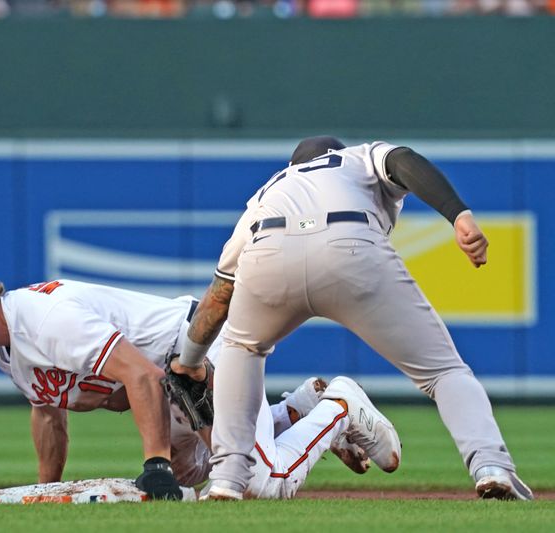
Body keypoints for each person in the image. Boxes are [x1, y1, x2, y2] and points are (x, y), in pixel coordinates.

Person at [170, 136, 534, 501]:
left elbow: (218, 299)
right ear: (334, 153)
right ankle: (491, 467)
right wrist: (458, 214)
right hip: (350, 245)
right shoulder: (355, 159)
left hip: (268, 250)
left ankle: (227, 478)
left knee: (241, 347)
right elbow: (404, 160)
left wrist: (188, 362)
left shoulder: (267, 192)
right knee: (444, 372)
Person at [0, 253, 400, 499]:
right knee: (196, 475)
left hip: (196, 355)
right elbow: (49, 417)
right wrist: (46, 491)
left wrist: (155, 464)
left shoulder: (45, 320)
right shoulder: (5, 350)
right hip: (171, 384)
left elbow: (140, 376)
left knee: (260, 483)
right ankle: (296, 409)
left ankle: (339, 404)